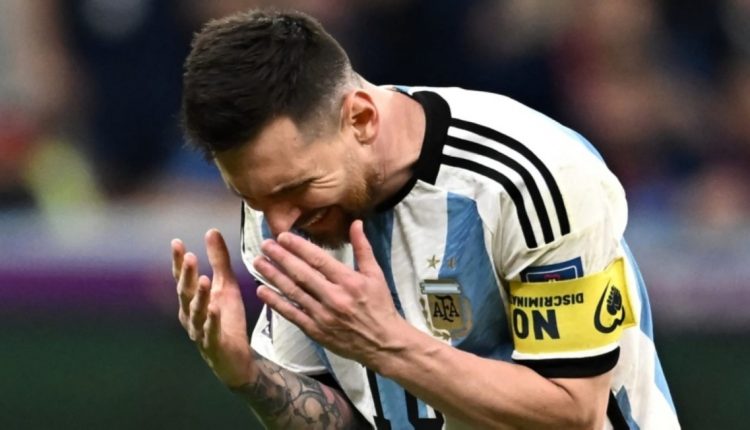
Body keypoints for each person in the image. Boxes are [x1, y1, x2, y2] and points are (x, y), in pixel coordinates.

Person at [171, 8, 680, 429]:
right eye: (252, 198)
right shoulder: (281, 208)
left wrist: (387, 344)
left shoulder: (532, 178)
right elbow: (345, 418)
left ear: (361, 119)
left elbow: (574, 411)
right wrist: (248, 374)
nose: (279, 227)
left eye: (295, 188)